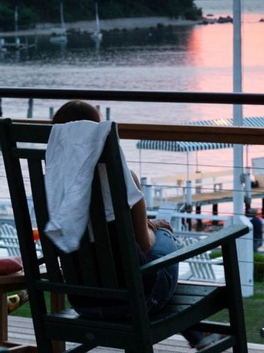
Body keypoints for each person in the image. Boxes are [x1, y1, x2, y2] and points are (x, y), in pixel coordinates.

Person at [48, 101, 220, 351]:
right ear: (100, 134)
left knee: (146, 265)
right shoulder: (123, 177)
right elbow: (145, 244)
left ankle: (198, 333)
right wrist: (153, 227)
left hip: (81, 302)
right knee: (162, 238)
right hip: (136, 303)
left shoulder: (50, 187)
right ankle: (199, 333)